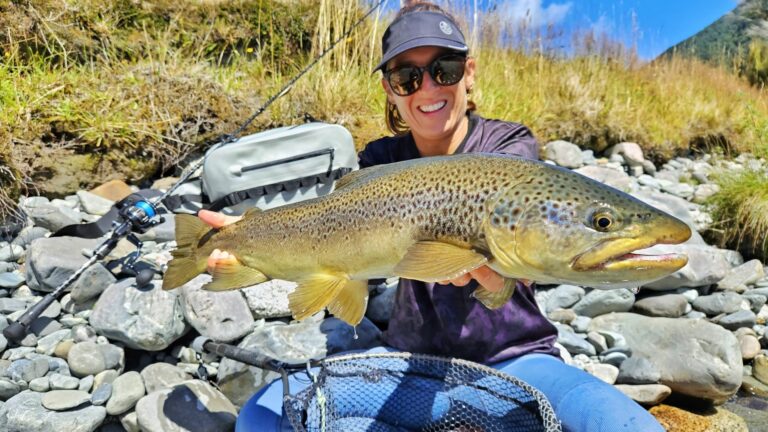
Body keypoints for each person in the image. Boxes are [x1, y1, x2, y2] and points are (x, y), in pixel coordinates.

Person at [200, 2, 665, 431]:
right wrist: (250, 250)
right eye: (407, 77)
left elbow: (511, 275)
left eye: (444, 69)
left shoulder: (508, 151)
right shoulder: (380, 159)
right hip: (407, 363)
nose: (428, 88)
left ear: (469, 73)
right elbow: (345, 260)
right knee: (263, 417)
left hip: (517, 360)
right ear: (390, 88)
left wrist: (485, 275)